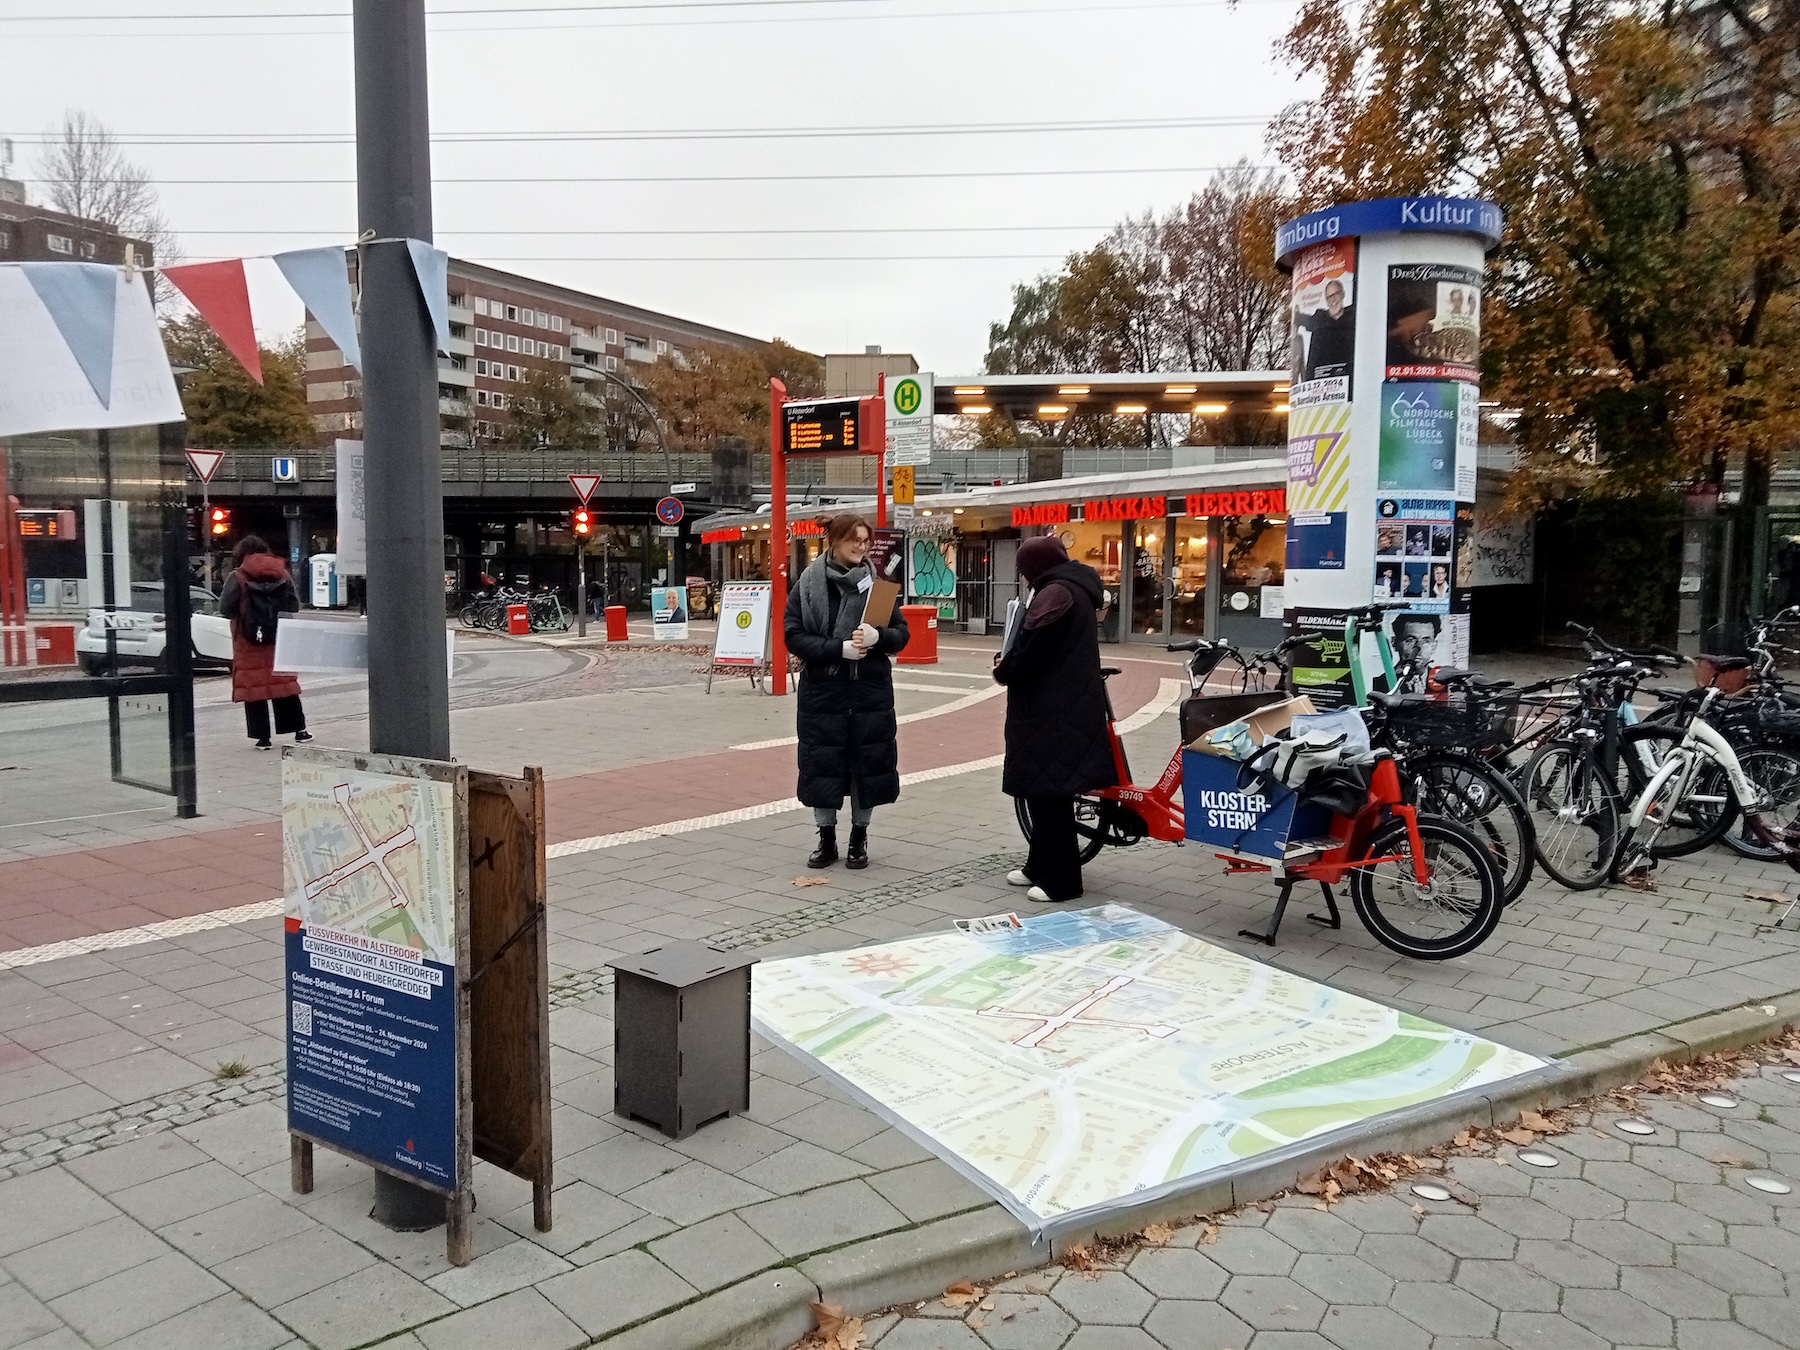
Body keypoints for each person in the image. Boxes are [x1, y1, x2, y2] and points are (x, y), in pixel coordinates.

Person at [993, 535, 1117, 903]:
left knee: (1051, 795)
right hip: (1061, 706)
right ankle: (1039, 864)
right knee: (1041, 790)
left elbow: (1031, 651)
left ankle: (1062, 881)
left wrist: (1004, 669)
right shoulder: (1070, 586)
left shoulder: (1055, 593)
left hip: (1053, 709)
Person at [784, 514, 910, 869]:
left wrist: (878, 637)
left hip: (869, 692)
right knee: (822, 764)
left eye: (866, 541)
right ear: (834, 541)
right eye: (854, 539)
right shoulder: (808, 584)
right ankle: (826, 838)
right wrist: (836, 649)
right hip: (823, 692)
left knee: (865, 764)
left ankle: (859, 836)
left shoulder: (879, 585)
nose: (861, 546)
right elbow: (792, 635)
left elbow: (901, 635)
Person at [219, 536, 310, 751]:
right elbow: (294, 605)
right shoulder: (282, 573)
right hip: (279, 638)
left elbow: (225, 608)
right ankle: (300, 731)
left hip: (248, 640)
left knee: (253, 687)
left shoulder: (238, 576)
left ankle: (263, 738)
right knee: (284, 684)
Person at [1295, 278, 1355, 382]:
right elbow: (1302, 319)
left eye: (1336, 294)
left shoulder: (1353, 316)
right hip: (1323, 383)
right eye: (1329, 297)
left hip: (1349, 380)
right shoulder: (1320, 319)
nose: (1333, 300)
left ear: (1343, 294)